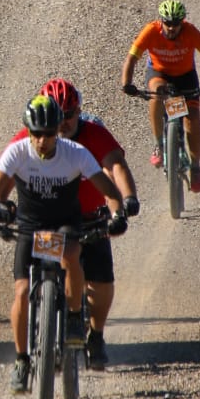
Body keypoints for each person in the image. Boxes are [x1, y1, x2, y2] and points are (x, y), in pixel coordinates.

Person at [0, 93, 127, 394]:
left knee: (71, 254)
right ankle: (21, 360)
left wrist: (117, 214)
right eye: (36, 134)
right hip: (31, 226)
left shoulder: (75, 153)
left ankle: (72, 320)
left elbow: (108, 189)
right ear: (28, 131)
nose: (42, 141)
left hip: (65, 223)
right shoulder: (17, 152)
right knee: (20, 293)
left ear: (59, 129)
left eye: (48, 134)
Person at [38, 78, 139, 369]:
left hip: (91, 219)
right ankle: (41, 322)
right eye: (58, 114)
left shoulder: (93, 132)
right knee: (39, 270)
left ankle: (96, 335)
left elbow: (115, 165)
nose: (64, 121)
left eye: (70, 114)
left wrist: (127, 199)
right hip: (50, 221)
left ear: (79, 110)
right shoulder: (37, 137)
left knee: (101, 278)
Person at [121, 0, 200, 193]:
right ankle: (159, 144)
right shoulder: (151, 31)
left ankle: (195, 166)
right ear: (161, 21)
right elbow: (131, 58)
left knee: (192, 119)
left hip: (185, 78)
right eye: (167, 23)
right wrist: (126, 83)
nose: (171, 28)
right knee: (157, 94)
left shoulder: (190, 32)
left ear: (182, 22)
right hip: (159, 75)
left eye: (176, 24)